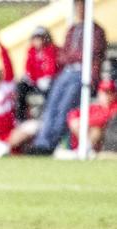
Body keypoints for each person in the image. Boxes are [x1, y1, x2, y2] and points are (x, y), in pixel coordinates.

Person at [29, 0, 107, 155]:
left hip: (82, 72)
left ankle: (50, 143)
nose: (80, 9)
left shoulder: (96, 31)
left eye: (82, 5)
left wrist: (78, 62)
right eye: (77, 6)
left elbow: (91, 53)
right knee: (52, 105)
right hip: (67, 71)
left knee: (64, 106)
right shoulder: (73, 29)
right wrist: (71, 58)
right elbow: (64, 54)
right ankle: (41, 141)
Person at [15, 26, 59, 123]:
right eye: (35, 38)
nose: (38, 41)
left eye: (40, 38)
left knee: (49, 88)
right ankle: (20, 118)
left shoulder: (52, 50)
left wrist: (44, 78)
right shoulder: (31, 51)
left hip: (48, 82)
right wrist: (33, 78)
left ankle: (48, 116)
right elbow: (28, 68)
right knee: (21, 87)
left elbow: (51, 69)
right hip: (35, 81)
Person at [66, 79, 117, 152]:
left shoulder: (114, 106)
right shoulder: (93, 107)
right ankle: (85, 148)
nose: (106, 96)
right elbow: (72, 114)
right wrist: (81, 122)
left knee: (96, 129)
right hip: (85, 137)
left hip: (103, 142)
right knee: (76, 123)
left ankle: (87, 148)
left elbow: (105, 119)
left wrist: (85, 121)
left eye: (109, 93)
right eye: (104, 92)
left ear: (114, 94)